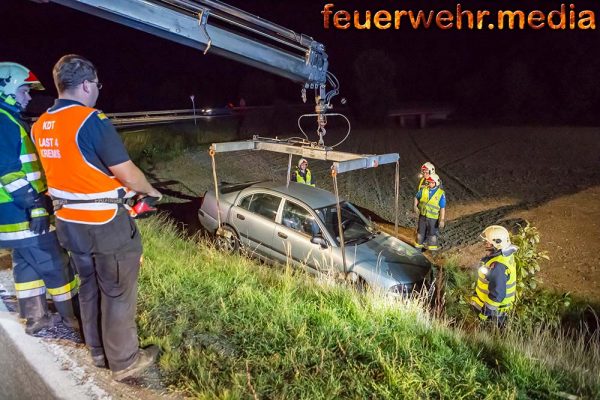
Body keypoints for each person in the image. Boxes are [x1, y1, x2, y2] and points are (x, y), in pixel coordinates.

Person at [31, 54, 161, 381]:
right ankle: (125, 361)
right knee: (117, 290)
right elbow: (127, 174)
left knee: (88, 286)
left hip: (68, 223)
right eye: (96, 85)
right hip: (103, 222)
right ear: (87, 84)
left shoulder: (40, 124)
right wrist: (152, 192)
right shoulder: (91, 120)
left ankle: (99, 351)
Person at [0, 62, 79, 335]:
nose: (29, 96)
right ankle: (74, 319)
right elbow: (8, 173)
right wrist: (35, 206)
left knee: (26, 263)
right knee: (55, 261)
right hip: (22, 213)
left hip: (9, 218)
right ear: (7, 89)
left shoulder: (7, 118)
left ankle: (36, 318)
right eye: (24, 90)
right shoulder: (3, 121)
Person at [470, 225, 518, 326]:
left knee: (489, 335)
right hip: (496, 311)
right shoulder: (504, 256)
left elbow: (497, 294)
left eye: (489, 242)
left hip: (493, 314)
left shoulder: (498, 266)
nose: (485, 243)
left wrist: (484, 314)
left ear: (498, 244)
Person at [413, 173, 446, 251]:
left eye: (432, 182)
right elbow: (416, 197)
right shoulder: (424, 190)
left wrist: (442, 219)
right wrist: (415, 206)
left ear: (436, 182)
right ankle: (418, 247)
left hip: (433, 218)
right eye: (429, 182)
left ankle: (431, 249)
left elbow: (442, 208)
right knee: (420, 232)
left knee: (432, 234)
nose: (430, 184)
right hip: (423, 216)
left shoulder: (440, 193)